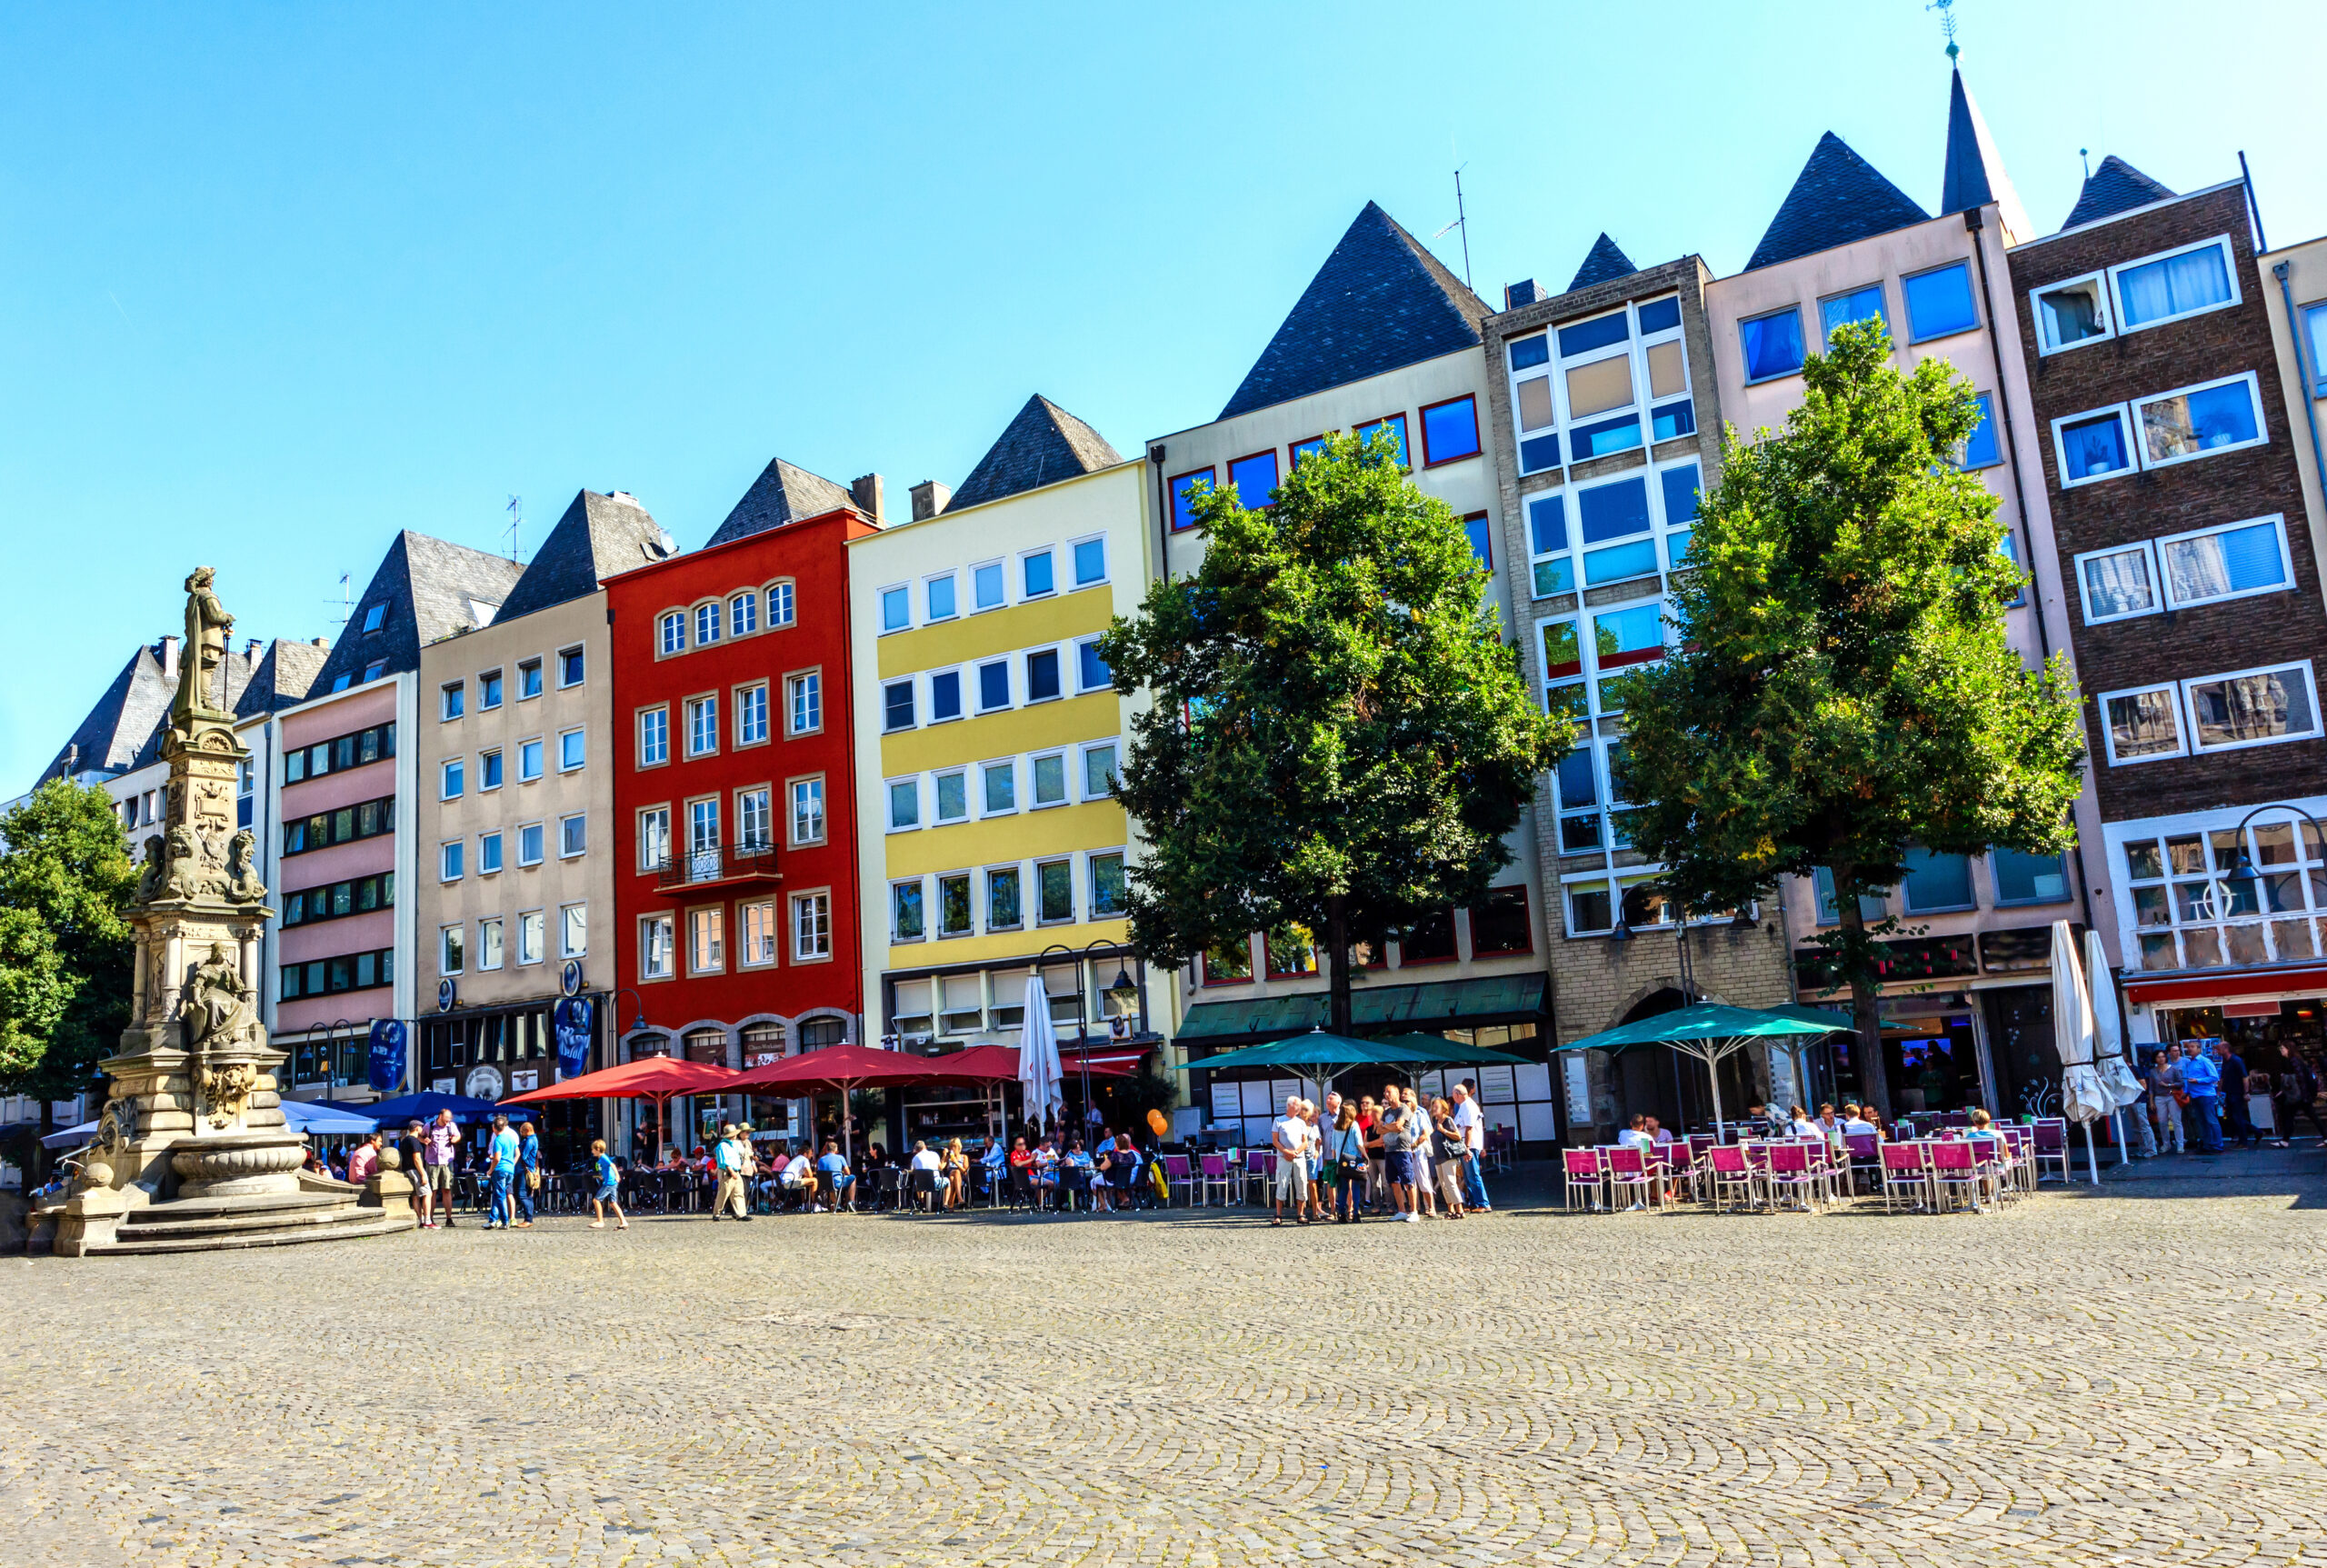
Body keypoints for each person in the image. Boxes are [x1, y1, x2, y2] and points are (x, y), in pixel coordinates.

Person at [1376, 1084, 1421, 1223]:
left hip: (1402, 1149)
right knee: (1394, 1181)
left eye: (1389, 1092)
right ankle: (1401, 1210)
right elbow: (1378, 1130)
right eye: (1385, 1092)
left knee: (1408, 1180)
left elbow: (1399, 1125)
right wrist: (1391, 1127)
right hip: (1389, 1150)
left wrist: (1387, 1128)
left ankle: (1413, 1211)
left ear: (1397, 1094)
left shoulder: (1404, 1108)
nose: (1386, 1094)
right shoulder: (1386, 1111)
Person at [2273, 1044, 2325, 1145]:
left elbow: (2298, 1078)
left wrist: (2286, 1084)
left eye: (2283, 1048)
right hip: (2302, 1095)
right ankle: (2285, 1140)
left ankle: (2285, 1141)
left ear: (2289, 1049)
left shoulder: (2293, 1061)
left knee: (2290, 1116)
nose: (2281, 1050)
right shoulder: (2296, 1060)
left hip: (2298, 1095)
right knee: (2311, 1117)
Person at [1270, 1095, 1310, 1226]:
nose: (1299, 1108)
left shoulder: (1301, 1122)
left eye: (1299, 1106)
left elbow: (1305, 1142)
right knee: (1282, 1183)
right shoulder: (1278, 1121)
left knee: (1301, 1184)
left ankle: (1301, 1214)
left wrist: (1296, 1152)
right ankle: (1279, 1215)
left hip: (1298, 1158)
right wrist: (1286, 1151)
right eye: (1296, 1105)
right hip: (1283, 1157)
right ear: (1289, 1106)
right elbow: (1275, 1141)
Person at [2180, 1040, 2223, 1155]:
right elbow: (2189, 1079)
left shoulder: (2205, 1061)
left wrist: (2198, 1081)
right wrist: (2186, 1091)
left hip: (2205, 1095)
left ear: (2199, 1049)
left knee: (2211, 1120)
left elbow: (2214, 1077)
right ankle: (2207, 1144)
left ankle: (2218, 1145)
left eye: (2193, 1047)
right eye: (2188, 1047)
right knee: (2201, 1121)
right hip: (2195, 1095)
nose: (2190, 1049)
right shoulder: (2190, 1063)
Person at [1452, 1083, 1489, 1213]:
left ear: (1457, 1095)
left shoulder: (1468, 1106)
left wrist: (1467, 1147)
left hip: (1470, 1146)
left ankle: (1483, 1203)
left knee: (1473, 1175)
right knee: (1468, 1177)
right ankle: (1474, 1202)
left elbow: (1469, 1128)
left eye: (1453, 1094)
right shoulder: (1463, 1106)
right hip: (1466, 1145)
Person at [1325, 1103, 1365, 1223]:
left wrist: (1337, 1158)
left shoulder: (1336, 1126)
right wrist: (1366, 1156)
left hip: (1341, 1161)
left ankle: (1341, 1213)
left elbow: (1333, 1148)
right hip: (1354, 1159)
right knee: (1356, 1187)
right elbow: (1359, 1143)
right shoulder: (1354, 1125)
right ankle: (1355, 1213)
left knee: (1343, 1188)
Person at [422, 1108, 462, 1227]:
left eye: (449, 1120)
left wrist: (456, 1139)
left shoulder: (451, 1126)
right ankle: (430, 1219)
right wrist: (425, 1140)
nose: (447, 1122)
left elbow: (458, 1136)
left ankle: (449, 1218)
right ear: (440, 1116)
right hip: (432, 1161)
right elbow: (420, 1136)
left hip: (447, 1161)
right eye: (445, 1119)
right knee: (432, 1191)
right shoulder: (429, 1126)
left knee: (447, 1189)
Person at [1429, 1096, 1467, 1219]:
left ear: (1443, 1109)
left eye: (1436, 1106)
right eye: (1433, 1106)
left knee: (1451, 1182)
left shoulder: (1448, 1120)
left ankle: (1460, 1209)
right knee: (1443, 1184)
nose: (1433, 1108)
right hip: (1438, 1157)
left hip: (1448, 1156)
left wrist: (1444, 1131)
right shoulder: (1436, 1122)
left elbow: (1457, 1136)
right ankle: (1450, 1209)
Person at [483, 1114, 519, 1231]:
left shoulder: (497, 1140)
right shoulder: (511, 1138)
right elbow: (517, 1153)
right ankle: (492, 1220)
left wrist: (490, 1170)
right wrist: (511, 1164)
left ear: (494, 1127)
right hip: (510, 1170)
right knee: (498, 1195)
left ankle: (504, 1221)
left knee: (500, 1195)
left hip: (500, 1170)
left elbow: (497, 1158)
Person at [2146, 1047, 2185, 1154]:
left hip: (2172, 1096)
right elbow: (2151, 1087)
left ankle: (2180, 1144)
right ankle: (2166, 1143)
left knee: (2176, 1120)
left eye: (2163, 1056)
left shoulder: (2173, 1069)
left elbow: (2181, 1083)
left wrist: (2168, 1085)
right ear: (2155, 1059)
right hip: (2159, 1097)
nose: (2161, 1059)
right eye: (2158, 1057)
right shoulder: (2153, 1071)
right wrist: (2151, 1101)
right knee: (2162, 1122)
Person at [712, 1124, 750, 1221]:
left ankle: (741, 1214)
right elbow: (725, 1161)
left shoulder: (732, 1144)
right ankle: (717, 1214)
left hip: (736, 1171)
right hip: (727, 1172)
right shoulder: (722, 1146)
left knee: (739, 1193)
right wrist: (731, 1171)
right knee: (723, 1193)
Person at [396, 1120, 430, 1228]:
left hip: (407, 1170)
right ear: (416, 1128)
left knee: (415, 1196)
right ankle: (427, 1221)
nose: (423, 1129)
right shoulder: (414, 1141)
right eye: (421, 1127)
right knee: (427, 1193)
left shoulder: (404, 1140)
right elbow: (417, 1159)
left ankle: (420, 1220)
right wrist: (423, 1174)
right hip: (415, 1170)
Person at [587, 1138, 626, 1229]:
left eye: (593, 1149)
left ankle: (600, 1221)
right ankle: (623, 1222)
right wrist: (603, 1176)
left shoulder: (603, 1157)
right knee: (613, 1203)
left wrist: (617, 1176)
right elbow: (606, 1169)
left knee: (596, 1200)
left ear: (597, 1149)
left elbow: (612, 1165)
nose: (592, 1151)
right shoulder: (601, 1158)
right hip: (610, 1182)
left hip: (609, 1183)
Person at [1357, 1095, 1384, 1213]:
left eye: (1367, 1103)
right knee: (1368, 1181)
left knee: (1384, 1182)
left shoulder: (1380, 1124)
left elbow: (1381, 1142)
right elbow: (1364, 1142)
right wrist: (1370, 1144)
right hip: (1364, 1155)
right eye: (1362, 1102)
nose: (1364, 1104)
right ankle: (1366, 1204)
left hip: (1379, 1156)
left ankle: (1386, 1204)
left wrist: (1368, 1144)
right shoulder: (1358, 1119)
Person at [514, 1121, 541, 1227]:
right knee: (528, 1195)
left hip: (525, 1170)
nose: (521, 1133)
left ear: (527, 1130)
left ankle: (528, 1219)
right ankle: (528, 1218)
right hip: (528, 1169)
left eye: (522, 1131)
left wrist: (517, 1150)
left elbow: (523, 1155)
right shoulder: (532, 1139)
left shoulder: (530, 1141)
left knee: (522, 1194)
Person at [815, 1140, 854, 1211]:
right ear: (836, 1150)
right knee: (853, 1178)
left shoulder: (820, 1160)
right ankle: (850, 1202)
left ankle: (838, 1205)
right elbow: (848, 1172)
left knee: (831, 1184)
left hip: (824, 1184)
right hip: (836, 1183)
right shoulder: (840, 1158)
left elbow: (819, 1172)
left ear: (826, 1150)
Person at [907, 1139, 942, 1210]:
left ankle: (921, 1203)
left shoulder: (915, 1158)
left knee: (918, 1181)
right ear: (925, 1147)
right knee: (948, 1182)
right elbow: (940, 1168)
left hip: (921, 1185)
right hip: (934, 1182)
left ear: (916, 1150)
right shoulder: (935, 1154)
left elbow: (913, 1171)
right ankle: (946, 1204)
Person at [1005, 1136, 1035, 1211]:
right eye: (1020, 1144)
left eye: (1024, 1143)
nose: (1023, 1145)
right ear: (1015, 1146)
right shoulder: (1014, 1154)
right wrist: (1031, 1159)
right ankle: (1039, 1204)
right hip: (1023, 1179)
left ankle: (1040, 1204)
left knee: (1051, 1183)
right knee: (1044, 1183)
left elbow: (1034, 1162)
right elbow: (1018, 1164)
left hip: (1032, 1175)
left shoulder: (1028, 1152)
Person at [943, 1137, 969, 1210]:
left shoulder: (964, 1157)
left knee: (955, 1174)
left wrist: (956, 1162)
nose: (952, 1148)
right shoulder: (948, 1157)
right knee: (953, 1175)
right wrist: (944, 1156)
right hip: (949, 1174)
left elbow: (965, 1171)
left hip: (961, 1176)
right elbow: (941, 1167)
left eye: (954, 1146)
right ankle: (960, 1199)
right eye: (951, 1147)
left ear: (959, 1147)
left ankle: (950, 1204)